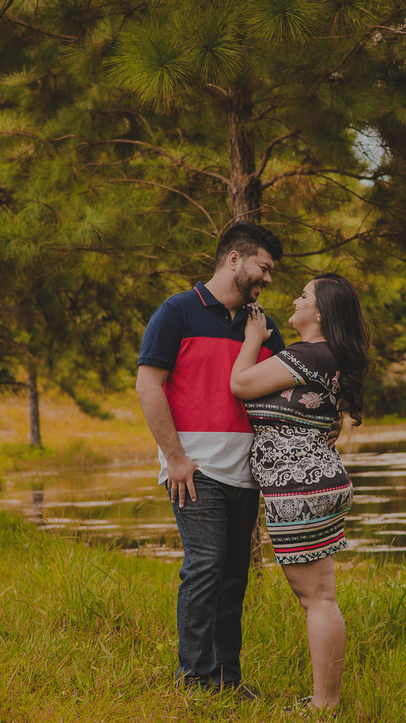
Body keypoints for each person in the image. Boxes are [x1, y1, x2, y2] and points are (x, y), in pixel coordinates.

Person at [135, 221, 285, 694]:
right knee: (205, 566)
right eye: (264, 267)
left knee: (233, 576)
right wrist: (175, 458)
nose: (268, 279)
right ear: (234, 259)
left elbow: (286, 385)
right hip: (194, 470)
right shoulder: (177, 311)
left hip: (247, 473)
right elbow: (148, 385)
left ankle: (227, 677)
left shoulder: (260, 325)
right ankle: (194, 677)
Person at [229, 272, 369, 711]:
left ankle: (324, 705)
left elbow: (241, 385)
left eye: (303, 295)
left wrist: (253, 336)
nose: (295, 298)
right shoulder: (330, 356)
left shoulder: (308, 354)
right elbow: (326, 424)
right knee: (320, 595)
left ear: (320, 311)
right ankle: (325, 700)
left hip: (299, 486)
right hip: (313, 480)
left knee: (317, 598)